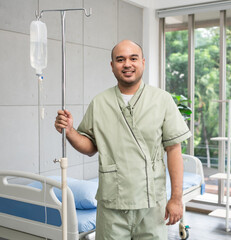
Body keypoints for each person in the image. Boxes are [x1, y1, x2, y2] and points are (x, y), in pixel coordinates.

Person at [55, 39, 191, 239]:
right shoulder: (100, 102)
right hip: (112, 203)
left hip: (151, 204)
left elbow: (174, 150)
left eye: (133, 58)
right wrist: (70, 131)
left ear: (143, 62)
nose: (127, 64)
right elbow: (90, 146)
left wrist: (176, 199)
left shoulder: (162, 100)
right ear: (112, 66)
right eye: (120, 59)